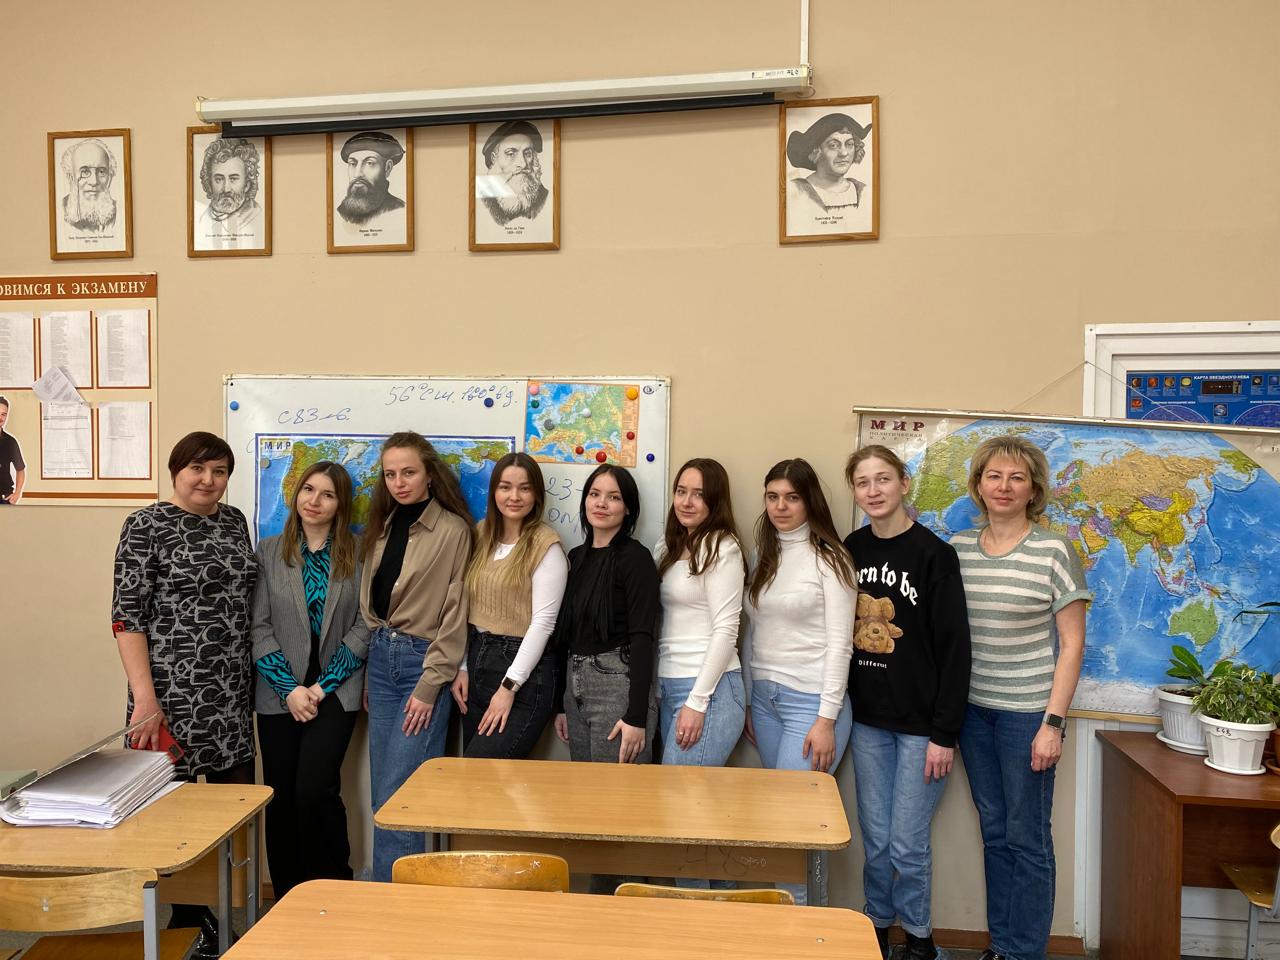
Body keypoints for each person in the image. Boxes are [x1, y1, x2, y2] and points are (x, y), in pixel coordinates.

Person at [111, 431, 258, 955]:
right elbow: (126, 617)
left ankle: (222, 916)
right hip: (169, 694)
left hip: (230, 692)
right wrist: (144, 701)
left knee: (229, 812)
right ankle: (185, 925)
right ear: (176, 471)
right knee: (167, 820)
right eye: (197, 468)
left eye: (219, 471)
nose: (208, 480)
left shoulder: (234, 521)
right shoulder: (146, 524)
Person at [952, 435, 1089, 960]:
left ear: (1033, 489)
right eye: (994, 476)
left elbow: (1072, 644)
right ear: (979, 485)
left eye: (1016, 477)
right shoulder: (959, 549)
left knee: (1027, 838)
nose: (1004, 486)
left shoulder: (1054, 550)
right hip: (972, 714)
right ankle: (1002, 945)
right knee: (994, 832)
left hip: (1027, 716)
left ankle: (1024, 952)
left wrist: (1052, 724)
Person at [843, 445, 971, 960]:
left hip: (922, 728)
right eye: (862, 482)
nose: (873, 491)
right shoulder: (851, 549)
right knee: (875, 840)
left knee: (906, 844)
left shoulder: (934, 555)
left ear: (904, 483)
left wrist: (945, 733)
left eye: (883, 479)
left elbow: (955, 650)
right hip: (868, 721)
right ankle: (877, 927)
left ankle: (919, 939)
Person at [250, 460, 369, 901]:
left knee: (316, 790)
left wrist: (320, 687)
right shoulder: (269, 551)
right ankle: (288, 896)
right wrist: (290, 689)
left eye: (327, 494)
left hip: (334, 692)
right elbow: (258, 626)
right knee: (281, 796)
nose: (314, 501)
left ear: (341, 505)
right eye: (308, 490)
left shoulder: (359, 553)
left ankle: (333, 890)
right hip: (278, 693)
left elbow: (365, 624)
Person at [360, 432, 473, 882]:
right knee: (381, 792)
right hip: (380, 660)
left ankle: (394, 898)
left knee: (401, 792)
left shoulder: (452, 530)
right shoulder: (384, 526)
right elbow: (373, 602)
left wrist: (430, 685)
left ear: (429, 474)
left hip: (421, 665)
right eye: (390, 474)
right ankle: (390, 887)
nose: (399, 482)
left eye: (408, 472)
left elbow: (455, 615)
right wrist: (370, 670)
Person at [743, 457, 856, 906]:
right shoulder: (765, 557)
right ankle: (786, 922)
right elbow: (753, 634)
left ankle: (805, 928)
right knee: (783, 823)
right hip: (766, 702)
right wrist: (749, 701)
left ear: (810, 502)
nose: (780, 506)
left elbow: (841, 645)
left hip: (811, 704)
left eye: (791, 497)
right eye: (772, 497)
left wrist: (826, 720)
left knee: (796, 823)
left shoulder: (831, 559)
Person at [552, 464, 659, 893]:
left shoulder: (635, 559)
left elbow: (644, 636)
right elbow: (566, 636)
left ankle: (628, 910)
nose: (601, 504)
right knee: (590, 811)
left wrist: (636, 717)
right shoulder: (575, 559)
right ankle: (599, 910)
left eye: (613, 497)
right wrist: (562, 704)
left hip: (617, 687)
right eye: (595, 494)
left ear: (628, 508)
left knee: (620, 812)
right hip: (575, 687)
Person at [450, 452, 567, 758]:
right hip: (476, 659)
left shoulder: (546, 545)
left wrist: (508, 687)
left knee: (485, 769)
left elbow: (543, 624)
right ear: (494, 492)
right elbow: (465, 607)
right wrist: (462, 667)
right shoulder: (481, 534)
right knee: (471, 773)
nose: (514, 496)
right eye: (505, 487)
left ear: (536, 495)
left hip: (523, 674)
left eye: (524, 488)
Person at [785, 112, 871, 214]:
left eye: (849, 144)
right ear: (816, 151)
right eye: (833, 145)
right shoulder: (796, 190)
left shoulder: (863, 190)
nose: (844, 153)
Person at [478, 120, 549, 225]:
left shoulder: (545, 198)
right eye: (511, 154)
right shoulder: (482, 201)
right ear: (494, 158)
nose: (523, 164)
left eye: (527, 154)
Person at [197, 138, 263, 242]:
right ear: (209, 182)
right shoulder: (200, 220)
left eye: (233, 179)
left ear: (247, 184)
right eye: (219, 179)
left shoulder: (258, 218)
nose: (226, 189)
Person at [337, 131, 406, 226]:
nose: (357, 174)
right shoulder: (339, 214)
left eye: (370, 163)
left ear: (388, 168)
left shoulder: (399, 210)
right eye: (352, 164)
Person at [60, 138, 117, 232]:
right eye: (85, 172)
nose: (94, 182)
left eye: (101, 171)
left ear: (109, 177)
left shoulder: (120, 212)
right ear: (71, 177)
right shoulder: (59, 210)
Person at [0, 395, 25, 504]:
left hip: (4, 499)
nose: (0, 418)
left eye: (3, 414)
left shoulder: (10, 442)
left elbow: (20, 470)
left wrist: (17, 493)